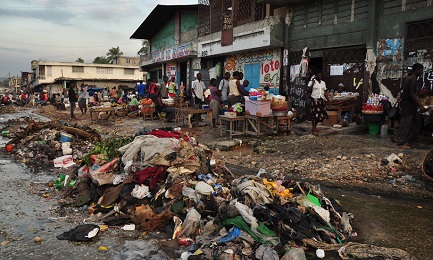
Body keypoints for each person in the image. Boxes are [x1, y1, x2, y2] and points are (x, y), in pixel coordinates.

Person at [397, 63, 428, 149]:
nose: (421, 72)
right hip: (408, 105)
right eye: (421, 70)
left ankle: (412, 140)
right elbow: (412, 94)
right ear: (416, 70)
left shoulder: (412, 79)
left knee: (416, 122)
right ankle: (401, 142)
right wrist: (421, 106)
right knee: (405, 124)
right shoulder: (412, 79)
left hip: (412, 106)